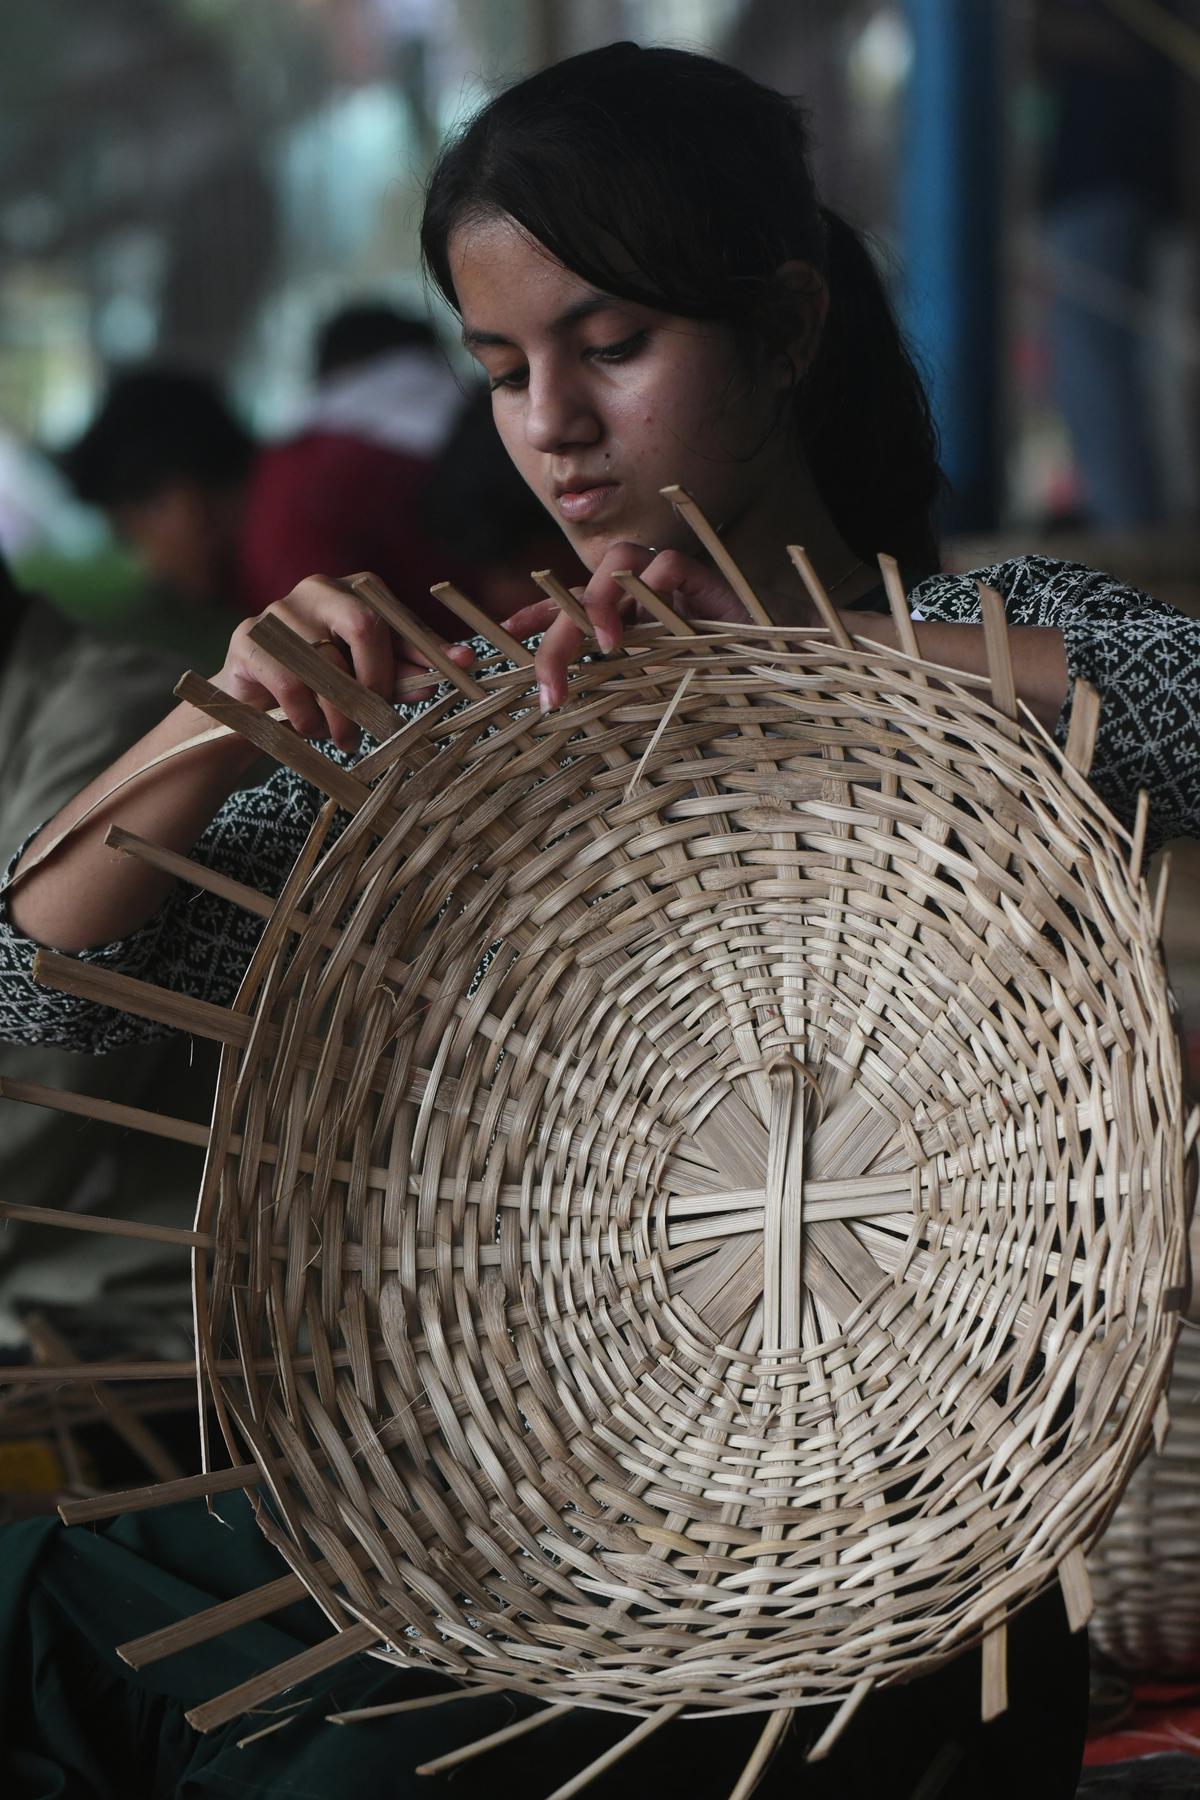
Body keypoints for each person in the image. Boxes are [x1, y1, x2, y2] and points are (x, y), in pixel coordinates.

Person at [0, 40, 1198, 1800]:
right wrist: (203, 729)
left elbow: (1173, 697)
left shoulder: (975, 635)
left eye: (612, 348)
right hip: (490, 1522)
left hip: (856, 1591)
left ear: (786, 329)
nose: (552, 423)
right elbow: (42, 996)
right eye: (499, 371)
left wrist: (787, 651)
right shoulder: (507, 734)